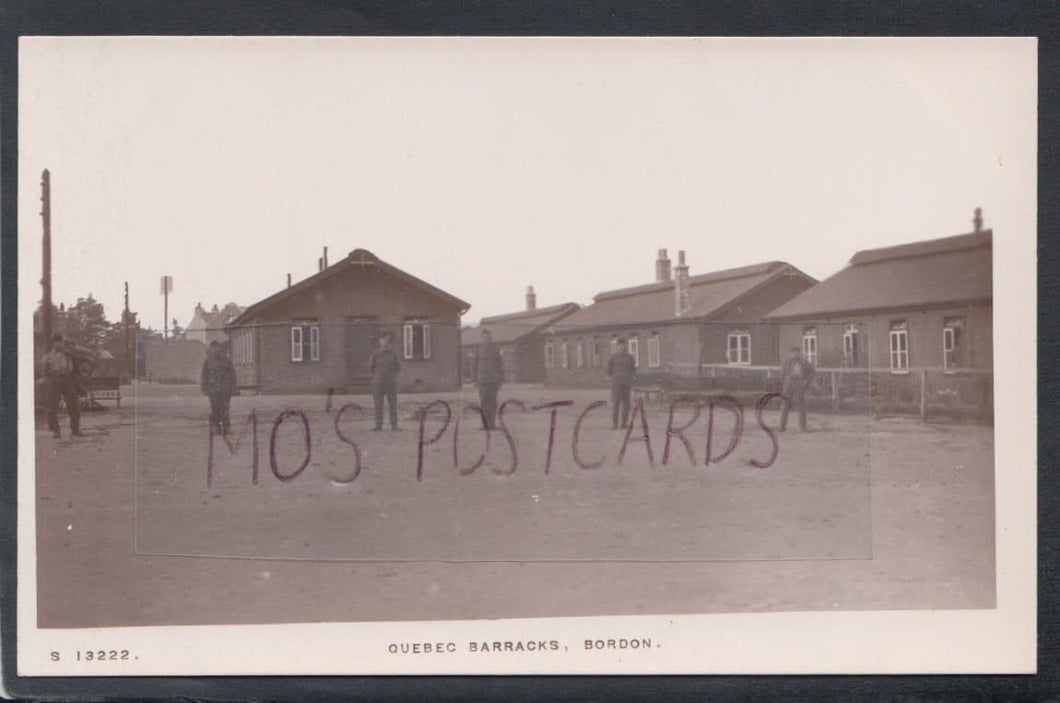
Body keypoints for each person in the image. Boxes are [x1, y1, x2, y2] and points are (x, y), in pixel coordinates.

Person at [41, 333, 83, 438]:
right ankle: (56, 431)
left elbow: (78, 360)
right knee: (51, 406)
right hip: (55, 381)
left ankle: (75, 429)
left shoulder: (70, 353)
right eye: (55, 342)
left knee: (73, 405)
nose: (57, 344)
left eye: (59, 341)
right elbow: (45, 370)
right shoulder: (49, 356)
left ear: (62, 342)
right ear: (52, 343)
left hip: (68, 379)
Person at [200, 341, 237, 435]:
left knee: (225, 409)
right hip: (213, 391)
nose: (216, 350)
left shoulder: (227, 361)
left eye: (218, 348)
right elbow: (204, 376)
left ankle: (227, 428)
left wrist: (233, 388)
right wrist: (204, 389)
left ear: (220, 349)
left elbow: (232, 374)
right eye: (214, 348)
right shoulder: (207, 361)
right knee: (215, 410)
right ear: (211, 349)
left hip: (225, 390)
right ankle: (217, 428)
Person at [368, 331, 401, 431]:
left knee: (393, 404)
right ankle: (378, 425)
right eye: (383, 340)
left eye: (387, 340)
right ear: (379, 341)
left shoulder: (393, 354)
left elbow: (398, 367)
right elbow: (370, 368)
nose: (385, 342)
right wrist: (377, 378)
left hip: (390, 383)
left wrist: (389, 375)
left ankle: (394, 425)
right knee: (378, 405)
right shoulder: (375, 354)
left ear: (389, 341)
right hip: (378, 384)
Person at [472, 329, 504, 429]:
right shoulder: (478, 350)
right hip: (481, 381)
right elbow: (474, 365)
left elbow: (500, 366)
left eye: (489, 338)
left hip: (493, 381)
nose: (487, 340)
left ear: (491, 338)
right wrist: (474, 380)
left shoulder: (496, 350)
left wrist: (500, 381)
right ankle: (485, 424)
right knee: (483, 403)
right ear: (482, 339)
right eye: (485, 338)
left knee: (493, 403)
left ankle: (492, 424)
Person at [780, 345, 815, 432]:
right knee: (785, 405)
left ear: (799, 353)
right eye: (793, 352)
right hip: (789, 384)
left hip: (799, 384)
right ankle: (782, 426)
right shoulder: (787, 362)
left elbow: (811, 372)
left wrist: (807, 381)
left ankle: (803, 427)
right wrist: (784, 385)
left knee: (801, 405)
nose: (795, 354)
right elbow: (783, 374)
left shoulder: (804, 362)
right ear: (790, 353)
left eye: (797, 352)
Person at [606, 336, 637, 429]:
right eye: (620, 345)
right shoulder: (613, 357)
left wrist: (631, 377)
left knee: (627, 404)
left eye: (624, 345)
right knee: (616, 403)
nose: (622, 347)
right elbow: (608, 369)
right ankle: (615, 423)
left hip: (626, 383)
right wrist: (611, 378)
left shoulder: (630, 357)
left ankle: (624, 423)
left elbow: (633, 369)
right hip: (616, 384)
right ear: (617, 346)